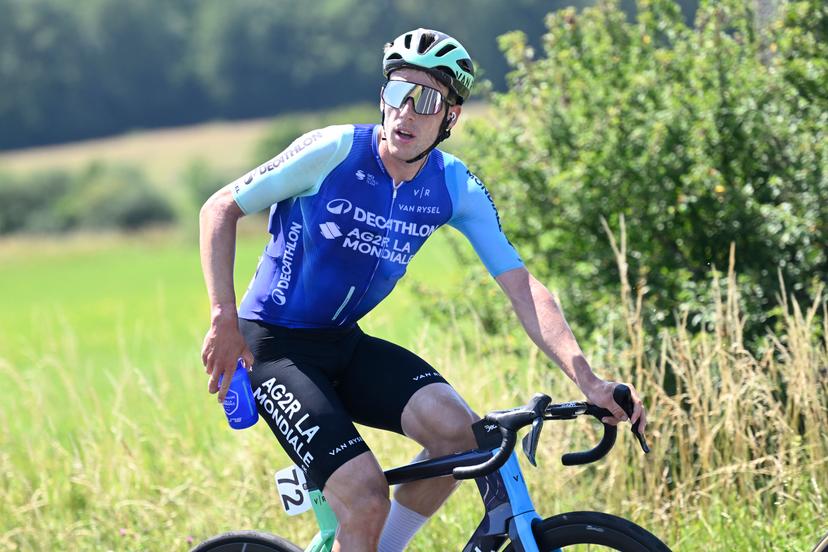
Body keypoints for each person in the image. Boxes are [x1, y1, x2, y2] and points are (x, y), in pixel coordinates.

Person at [199, 28, 647, 552]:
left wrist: (589, 380)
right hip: (273, 346)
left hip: (343, 342)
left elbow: (523, 287)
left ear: (450, 117)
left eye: (427, 99)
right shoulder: (333, 150)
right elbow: (220, 208)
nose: (406, 113)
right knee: (365, 497)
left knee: (460, 437)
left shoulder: (453, 185)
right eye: (397, 93)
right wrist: (222, 318)